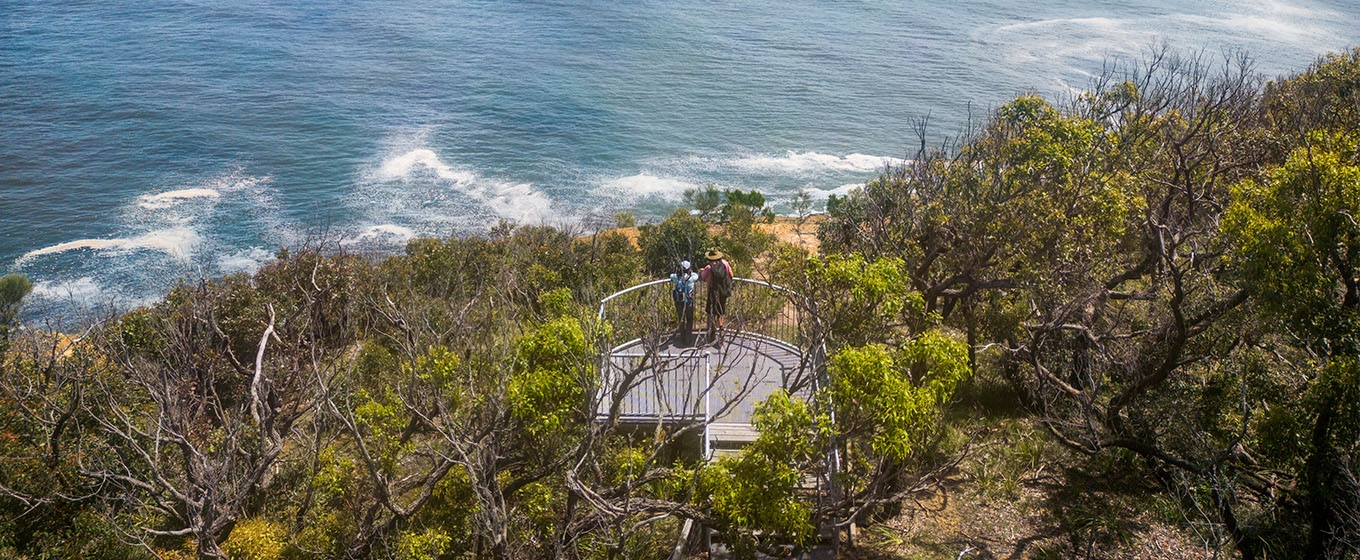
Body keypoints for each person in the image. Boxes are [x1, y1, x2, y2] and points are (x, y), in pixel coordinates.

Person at [699, 249, 732, 346]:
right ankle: (721, 328)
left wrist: (702, 272)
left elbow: (703, 277)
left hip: (713, 292)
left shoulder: (709, 267)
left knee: (712, 312)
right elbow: (731, 274)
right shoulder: (725, 264)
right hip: (723, 292)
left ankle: (713, 332)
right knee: (721, 311)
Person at [669, 260, 699, 347]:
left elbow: (671, 276)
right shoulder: (692, 277)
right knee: (689, 319)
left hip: (679, 302)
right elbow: (698, 275)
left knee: (681, 319)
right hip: (688, 302)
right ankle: (688, 338)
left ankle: (682, 337)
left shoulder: (676, 277)